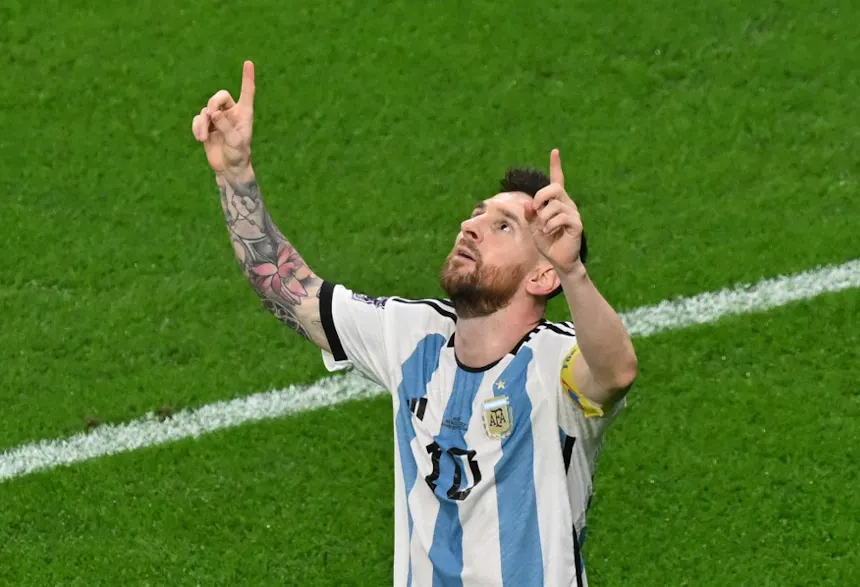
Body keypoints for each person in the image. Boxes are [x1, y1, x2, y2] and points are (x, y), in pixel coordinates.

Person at [192, 61, 637, 587]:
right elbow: (288, 289)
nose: (471, 226)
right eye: (476, 214)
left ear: (542, 274)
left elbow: (615, 372)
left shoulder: (555, 364)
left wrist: (573, 270)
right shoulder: (411, 336)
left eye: (501, 226)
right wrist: (235, 173)